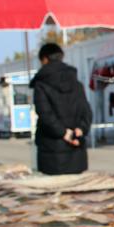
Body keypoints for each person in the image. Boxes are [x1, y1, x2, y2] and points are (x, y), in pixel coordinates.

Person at [30, 43, 92, 175]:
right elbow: (86, 111)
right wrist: (81, 129)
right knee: (77, 187)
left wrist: (63, 133)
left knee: (55, 187)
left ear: (44, 59)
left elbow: (45, 114)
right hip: (76, 151)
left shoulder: (41, 85)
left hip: (51, 152)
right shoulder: (77, 83)